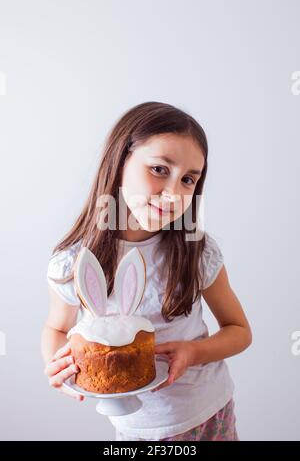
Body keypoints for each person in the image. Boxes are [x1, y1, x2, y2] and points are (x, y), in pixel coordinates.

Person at [41, 101, 252, 441]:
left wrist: (194, 351)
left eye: (187, 180)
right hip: (136, 430)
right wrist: (57, 364)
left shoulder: (196, 251)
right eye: (158, 169)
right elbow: (56, 327)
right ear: (120, 160)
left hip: (210, 412)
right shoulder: (73, 263)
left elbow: (239, 330)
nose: (173, 193)